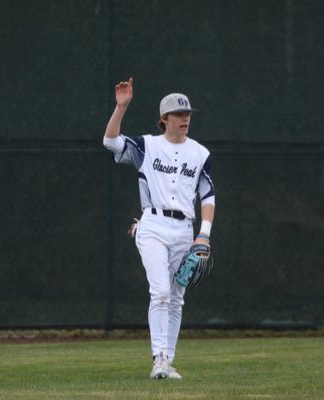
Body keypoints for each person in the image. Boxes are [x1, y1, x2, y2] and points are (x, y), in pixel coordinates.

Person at [103, 78, 215, 379]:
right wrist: (121, 107)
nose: (185, 118)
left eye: (188, 114)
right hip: (152, 225)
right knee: (161, 291)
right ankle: (159, 359)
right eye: (179, 114)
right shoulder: (147, 146)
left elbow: (208, 196)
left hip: (184, 230)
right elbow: (110, 142)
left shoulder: (200, 153)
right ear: (164, 119)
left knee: (177, 297)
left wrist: (203, 233)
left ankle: (168, 362)